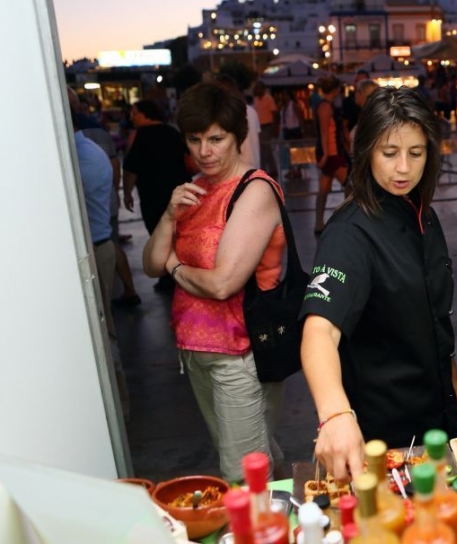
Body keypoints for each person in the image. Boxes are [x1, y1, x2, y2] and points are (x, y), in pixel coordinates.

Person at [301, 86, 457, 481]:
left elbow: (431, 313)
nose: (404, 168)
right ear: (366, 152)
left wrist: (452, 377)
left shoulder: (424, 215)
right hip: (386, 435)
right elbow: (319, 330)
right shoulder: (349, 233)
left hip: (438, 415)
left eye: (416, 153)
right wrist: (335, 415)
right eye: (389, 153)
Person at [142, 81, 288, 483]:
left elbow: (224, 283)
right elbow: (150, 264)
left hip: (240, 355)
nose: (204, 151)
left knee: (242, 475)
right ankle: (289, 505)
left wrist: (175, 268)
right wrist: (168, 216)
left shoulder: (254, 190)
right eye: (194, 140)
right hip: (196, 351)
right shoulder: (198, 188)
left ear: (238, 137)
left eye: (216, 139)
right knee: (251, 454)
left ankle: (274, 515)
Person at [68, 88, 131, 420]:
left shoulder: (75, 159)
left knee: (103, 336)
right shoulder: (91, 150)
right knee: (104, 333)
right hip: (99, 245)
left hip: (93, 249)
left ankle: (115, 413)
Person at [123, 99, 192, 291]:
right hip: (178, 191)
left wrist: (127, 193)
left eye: (134, 113)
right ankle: (180, 271)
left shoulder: (139, 135)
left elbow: (130, 168)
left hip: (152, 194)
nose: (131, 117)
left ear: (145, 113)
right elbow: (187, 159)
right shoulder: (172, 131)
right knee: (179, 232)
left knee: (158, 233)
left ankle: (168, 276)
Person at [313, 75, 350, 235]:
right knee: (350, 186)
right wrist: (325, 155)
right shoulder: (325, 107)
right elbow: (323, 131)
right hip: (332, 153)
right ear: (335, 90)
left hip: (330, 152)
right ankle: (345, 218)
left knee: (324, 188)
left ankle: (319, 223)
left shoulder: (326, 105)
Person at [253, 81, 279, 177]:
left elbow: (275, 113)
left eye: (259, 88)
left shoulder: (268, 99)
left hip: (267, 125)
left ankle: (272, 169)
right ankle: (265, 169)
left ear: (263, 89)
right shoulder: (256, 99)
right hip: (259, 127)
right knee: (261, 149)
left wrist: (275, 127)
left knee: (267, 149)